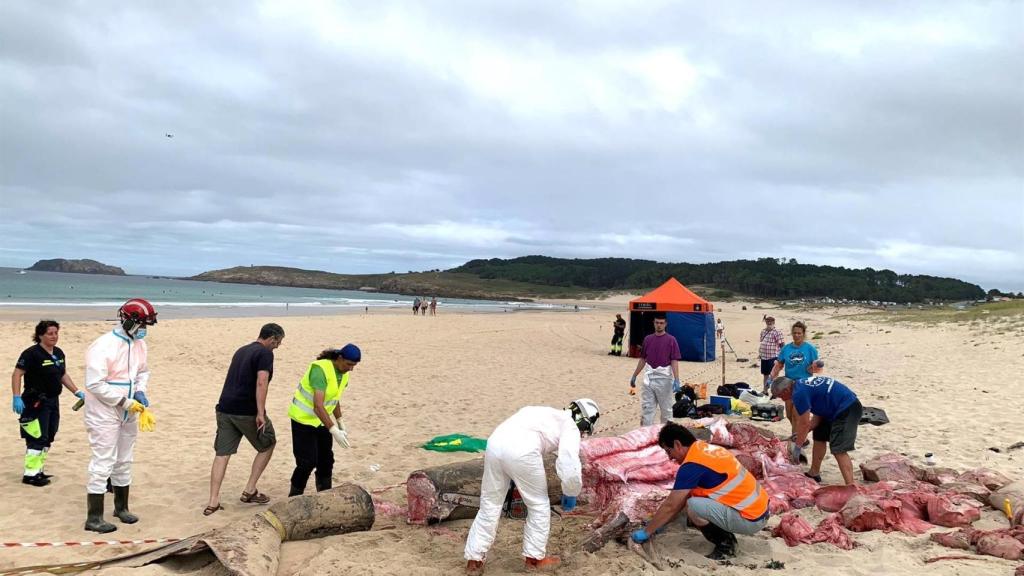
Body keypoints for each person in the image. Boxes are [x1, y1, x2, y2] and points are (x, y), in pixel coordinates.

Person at [464, 399, 600, 575]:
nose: (583, 434)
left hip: (494, 445)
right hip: (522, 452)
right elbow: (568, 462)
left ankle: (474, 560)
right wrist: (571, 492)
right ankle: (534, 559)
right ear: (584, 421)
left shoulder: (541, 411)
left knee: (489, 503)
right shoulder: (571, 427)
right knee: (539, 505)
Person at [630, 422, 769, 560]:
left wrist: (647, 531)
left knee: (693, 507)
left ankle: (726, 545)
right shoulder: (706, 449)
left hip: (750, 519)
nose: (670, 457)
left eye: (669, 451)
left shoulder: (692, 465)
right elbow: (679, 501)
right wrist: (662, 522)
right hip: (760, 510)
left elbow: (672, 505)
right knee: (691, 501)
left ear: (678, 444)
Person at [83, 298, 158, 533]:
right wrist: (124, 401)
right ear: (128, 320)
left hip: (130, 410)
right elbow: (94, 383)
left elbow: (142, 372)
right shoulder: (103, 345)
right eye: (142, 324)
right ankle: (94, 517)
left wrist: (140, 391)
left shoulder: (139, 345)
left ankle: (121, 507)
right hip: (104, 411)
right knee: (103, 460)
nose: (144, 330)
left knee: (124, 459)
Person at [204, 323, 285, 516]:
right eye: (279, 342)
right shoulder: (266, 354)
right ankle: (250, 490)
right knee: (268, 443)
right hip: (246, 410)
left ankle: (212, 502)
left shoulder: (242, 350)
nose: (278, 346)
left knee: (222, 454)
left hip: (224, 407)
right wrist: (260, 413)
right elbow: (261, 381)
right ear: (272, 339)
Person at [11, 320, 85, 487]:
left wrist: (77, 391)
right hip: (35, 401)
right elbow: (16, 374)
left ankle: (38, 469)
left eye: (56, 333)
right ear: (40, 335)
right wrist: (16, 396)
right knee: (37, 436)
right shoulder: (31, 354)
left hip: (53, 400)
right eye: (50, 333)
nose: (54, 336)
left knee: (49, 435)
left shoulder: (58, 353)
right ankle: (30, 474)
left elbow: (63, 375)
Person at [771, 364, 863, 485]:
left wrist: (798, 447)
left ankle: (851, 486)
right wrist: (802, 433)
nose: (782, 400)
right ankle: (814, 472)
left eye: (781, 396)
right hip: (831, 409)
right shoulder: (800, 384)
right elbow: (817, 413)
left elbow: (803, 423)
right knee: (819, 435)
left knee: (838, 449)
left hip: (847, 408)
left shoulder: (798, 394)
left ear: (787, 390)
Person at [287, 344, 360, 496]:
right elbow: (318, 406)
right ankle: (294, 496)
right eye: (349, 364)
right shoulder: (320, 370)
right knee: (306, 462)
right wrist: (334, 430)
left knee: (326, 460)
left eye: (354, 366)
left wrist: (340, 421)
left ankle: (325, 495)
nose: (351, 369)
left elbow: (334, 399)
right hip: (303, 420)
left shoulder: (344, 373)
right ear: (339, 358)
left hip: (322, 421)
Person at [629, 315, 681, 426]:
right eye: (657, 322)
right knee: (647, 409)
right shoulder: (648, 339)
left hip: (664, 379)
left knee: (666, 410)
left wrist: (677, 379)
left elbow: (674, 361)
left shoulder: (671, 340)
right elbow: (643, 359)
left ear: (665, 324)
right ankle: (646, 433)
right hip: (649, 379)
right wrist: (635, 375)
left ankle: (667, 435)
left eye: (661, 323)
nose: (659, 325)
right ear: (653, 323)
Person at [769, 321, 819, 426]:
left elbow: (816, 368)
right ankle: (798, 435)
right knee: (789, 415)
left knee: (797, 415)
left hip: (804, 384)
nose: (796, 335)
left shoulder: (810, 349)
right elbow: (779, 365)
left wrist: (814, 368)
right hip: (788, 384)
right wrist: (772, 377)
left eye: (799, 333)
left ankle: (797, 439)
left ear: (803, 334)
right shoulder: (786, 349)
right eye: (794, 333)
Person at [757, 316, 784, 393]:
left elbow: (782, 345)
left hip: (773, 357)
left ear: (773, 322)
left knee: (773, 376)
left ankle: (774, 392)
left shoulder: (777, 332)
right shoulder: (763, 331)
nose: (769, 323)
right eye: (767, 322)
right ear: (765, 322)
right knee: (765, 375)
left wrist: (781, 357)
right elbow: (762, 342)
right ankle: (765, 391)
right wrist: (760, 353)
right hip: (764, 357)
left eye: (771, 322)